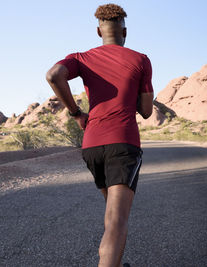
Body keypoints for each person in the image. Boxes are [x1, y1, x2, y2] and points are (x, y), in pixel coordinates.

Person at [46, 4, 153, 267]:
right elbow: (147, 111)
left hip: (92, 145)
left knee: (111, 215)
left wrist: (75, 113)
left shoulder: (82, 58)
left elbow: (53, 75)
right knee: (117, 222)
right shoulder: (140, 59)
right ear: (124, 31)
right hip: (123, 143)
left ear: (98, 31)